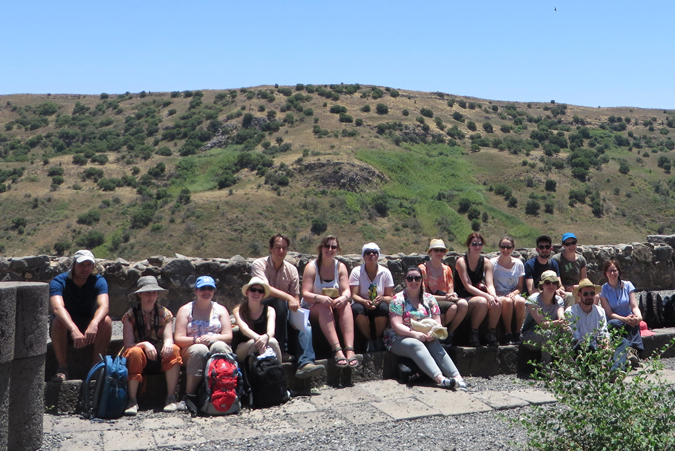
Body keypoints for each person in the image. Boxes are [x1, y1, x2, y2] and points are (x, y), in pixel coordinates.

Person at [251, 233, 325, 379]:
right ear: (271, 249)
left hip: (284, 310)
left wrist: (296, 313)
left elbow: (295, 298)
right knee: (279, 302)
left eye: (284, 248)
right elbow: (265, 289)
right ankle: (283, 350)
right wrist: (288, 297)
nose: (281, 251)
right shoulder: (259, 265)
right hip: (262, 309)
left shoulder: (291, 270)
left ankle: (306, 362)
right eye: (278, 248)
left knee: (305, 324)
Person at [384, 266, 467, 390]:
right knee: (415, 344)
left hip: (425, 335)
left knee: (435, 344)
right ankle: (441, 379)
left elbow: (437, 323)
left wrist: (432, 334)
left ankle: (457, 377)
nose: (413, 281)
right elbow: (396, 325)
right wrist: (415, 334)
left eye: (417, 278)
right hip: (399, 337)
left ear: (421, 280)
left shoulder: (430, 299)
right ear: (405, 280)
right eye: (410, 278)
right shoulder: (398, 299)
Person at [121, 276, 183, 415]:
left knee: (174, 349)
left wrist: (167, 343)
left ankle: (171, 398)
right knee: (135, 352)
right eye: (147, 293)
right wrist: (145, 344)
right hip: (140, 354)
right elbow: (128, 344)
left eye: (154, 292)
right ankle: (132, 400)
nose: (151, 296)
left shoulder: (165, 313)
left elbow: (168, 338)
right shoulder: (130, 315)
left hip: (159, 354)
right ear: (140, 294)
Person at [49, 249, 112, 381]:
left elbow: (104, 306)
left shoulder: (98, 281)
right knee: (57, 322)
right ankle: (62, 368)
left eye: (89, 265)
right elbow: (57, 307)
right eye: (82, 264)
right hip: (67, 326)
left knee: (106, 321)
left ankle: (96, 366)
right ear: (74, 265)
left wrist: (94, 324)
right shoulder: (59, 281)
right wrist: (73, 329)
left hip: (89, 326)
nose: (85, 268)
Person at [174, 276, 233, 406]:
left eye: (210, 288)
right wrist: (196, 340)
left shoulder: (221, 310)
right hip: (192, 347)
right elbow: (178, 338)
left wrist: (214, 338)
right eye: (203, 289)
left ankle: (225, 391)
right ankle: (189, 396)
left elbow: (228, 335)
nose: (206, 292)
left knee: (220, 347)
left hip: (214, 344)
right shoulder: (185, 310)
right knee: (199, 350)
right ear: (196, 291)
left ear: (214, 291)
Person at [301, 235, 357, 368]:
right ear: (321, 248)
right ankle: (337, 350)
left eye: (333, 247)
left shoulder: (340, 267)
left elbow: (346, 290)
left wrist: (343, 298)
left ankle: (349, 349)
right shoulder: (312, 267)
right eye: (327, 246)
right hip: (314, 306)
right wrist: (319, 298)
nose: (330, 249)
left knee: (347, 305)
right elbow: (305, 293)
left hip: (334, 305)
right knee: (323, 308)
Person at [565, 278, 629, 373]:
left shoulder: (600, 311)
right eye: (586, 294)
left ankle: (615, 371)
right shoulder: (570, 312)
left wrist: (606, 344)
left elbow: (603, 332)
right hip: (580, 349)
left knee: (623, 341)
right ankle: (604, 364)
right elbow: (576, 339)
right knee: (585, 343)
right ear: (579, 294)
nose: (589, 296)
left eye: (592, 293)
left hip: (597, 346)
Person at [453, 233, 501, 347]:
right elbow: (468, 285)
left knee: (498, 303)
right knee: (482, 301)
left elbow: (490, 284)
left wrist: (493, 296)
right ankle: (473, 333)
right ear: (468, 245)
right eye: (474, 244)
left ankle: (491, 332)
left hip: (478, 294)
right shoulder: (461, 261)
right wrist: (487, 296)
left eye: (480, 244)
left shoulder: (486, 262)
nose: (477, 247)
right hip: (463, 295)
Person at [418, 239, 468, 347]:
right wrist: (446, 298)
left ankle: (449, 332)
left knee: (463, 304)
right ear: (430, 252)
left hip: (445, 300)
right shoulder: (422, 269)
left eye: (441, 250)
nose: (439, 253)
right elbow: (423, 294)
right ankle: (441, 334)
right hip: (429, 300)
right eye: (436, 250)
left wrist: (451, 296)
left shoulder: (447, 269)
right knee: (452, 308)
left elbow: (450, 290)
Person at [350, 242, 394, 352]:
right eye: (368, 252)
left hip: (378, 304)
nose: (371, 255)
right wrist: (365, 302)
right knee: (357, 309)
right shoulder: (356, 272)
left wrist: (382, 298)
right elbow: (354, 295)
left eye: (374, 252)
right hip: (362, 303)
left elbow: (390, 297)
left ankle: (378, 338)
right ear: (363, 256)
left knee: (384, 307)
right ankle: (369, 339)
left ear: (378, 255)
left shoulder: (385, 272)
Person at [599, 259, 643, 367]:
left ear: (618, 272)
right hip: (615, 319)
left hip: (628, 317)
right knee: (615, 323)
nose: (612, 273)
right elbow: (609, 313)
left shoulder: (628, 285)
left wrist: (639, 317)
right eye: (610, 271)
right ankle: (626, 351)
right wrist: (625, 319)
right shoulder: (603, 290)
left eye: (614, 270)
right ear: (606, 273)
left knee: (634, 322)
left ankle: (632, 351)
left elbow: (634, 306)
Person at [232, 277, 282, 363]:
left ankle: (278, 371)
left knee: (273, 341)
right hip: (243, 346)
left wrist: (265, 337)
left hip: (263, 341)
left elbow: (271, 331)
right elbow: (244, 329)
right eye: (253, 290)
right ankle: (252, 374)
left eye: (260, 291)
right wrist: (259, 339)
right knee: (254, 344)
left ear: (263, 295)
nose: (256, 293)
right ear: (247, 292)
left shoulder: (270, 310)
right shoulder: (238, 310)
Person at [520, 270, 566, 356]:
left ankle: (566, 362)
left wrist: (563, 322)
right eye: (548, 282)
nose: (551, 286)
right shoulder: (533, 300)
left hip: (551, 332)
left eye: (554, 283)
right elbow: (542, 324)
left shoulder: (559, 300)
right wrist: (557, 323)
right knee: (548, 334)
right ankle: (546, 366)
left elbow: (561, 316)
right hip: (529, 335)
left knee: (568, 331)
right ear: (542, 285)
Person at [490, 237, 526, 345]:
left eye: (508, 247)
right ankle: (508, 333)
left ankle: (518, 332)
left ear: (513, 248)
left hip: (512, 293)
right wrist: (496, 293)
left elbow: (520, 287)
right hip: (498, 294)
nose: (505, 250)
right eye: (503, 247)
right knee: (507, 302)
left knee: (521, 302)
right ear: (499, 248)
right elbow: (489, 283)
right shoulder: (492, 263)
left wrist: (513, 293)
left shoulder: (519, 264)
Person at [551, 232, 588, 307]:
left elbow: (584, 280)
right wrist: (564, 287)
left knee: (595, 296)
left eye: (573, 243)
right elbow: (554, 278)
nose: (571, 246)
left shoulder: (581, 260)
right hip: (562, 289)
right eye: (568, 244)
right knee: (571, 296)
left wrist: (578, 287)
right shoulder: (557, 259)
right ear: (563, 245)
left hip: (577, 289)